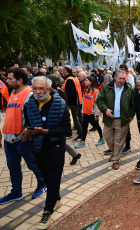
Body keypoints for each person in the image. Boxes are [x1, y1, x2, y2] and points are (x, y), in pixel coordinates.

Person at [22, 76, 71, 229]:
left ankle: (47, 212)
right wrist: (28, 133)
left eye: (41, 88)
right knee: (46, 177)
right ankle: (56, 199)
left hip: (55, 146)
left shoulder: (60, 104)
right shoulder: (29, 105)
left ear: (49, 89)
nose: (37, 91)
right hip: (37, 146)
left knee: (53, 177)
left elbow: (67, 130)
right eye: (34, 88)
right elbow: (27, 125)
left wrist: (45, 131)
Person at [0, 68, 46, 205]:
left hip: (22, 139)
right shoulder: (13, 92)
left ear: (20, 80)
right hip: (9, 138)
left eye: (9, 78)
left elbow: (33, 117)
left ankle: (43, 183)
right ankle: (16, 192)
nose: (6, 81)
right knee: (13, 166)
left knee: (33, 164)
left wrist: (26, 135)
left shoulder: (29, 94)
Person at [96, 70, 135, 170]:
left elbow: (132, 104)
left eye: (123, 79)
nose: (122, 81)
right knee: (108, 137)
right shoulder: (107, 87)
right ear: (115, 78)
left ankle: (115, 160)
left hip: (122, 120)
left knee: (118, 141)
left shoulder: (128, 89)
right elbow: (99, 100)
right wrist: (105, 110)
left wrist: (130, 116)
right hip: (109, 119)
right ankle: (115, 153)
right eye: (120, 78)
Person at [47, 74, 81, 165]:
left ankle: (74, 154)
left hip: (58, 120)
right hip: (54, 119)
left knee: (58, 140)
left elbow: (64, 105)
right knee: (58, 140)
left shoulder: (58, 91)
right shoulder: (52, 91)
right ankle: (75, 154)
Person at [74, 76, 105, 148]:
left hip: (93, 113)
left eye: (87, 80)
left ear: (91, 82)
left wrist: (96, 115)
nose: (85, 82)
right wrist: (82, 111)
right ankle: (82, 142)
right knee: (84, 127)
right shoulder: (85, 90)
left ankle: (102, 138)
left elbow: (97, 104)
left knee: (96, 126)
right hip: (86, 112)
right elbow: (84, 101)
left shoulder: (96, 92)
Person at [62, 66, 83, 141]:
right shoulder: (74, 78)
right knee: (76, 118)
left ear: (65, 71)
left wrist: (68, 104)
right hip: (77, 101)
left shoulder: (69, 80)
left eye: (63, 71)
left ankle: (81, 135)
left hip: (74, 102)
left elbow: (70, 94)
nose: (62, 73)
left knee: (75, 119)